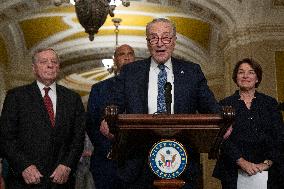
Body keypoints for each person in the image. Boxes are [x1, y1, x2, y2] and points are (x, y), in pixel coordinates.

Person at [100, 18, 220, 189]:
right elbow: (113, 105)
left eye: (165, 38)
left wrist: (223, 124)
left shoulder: (192, 71)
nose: (159, 43)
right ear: (148, 42)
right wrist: (107, 120)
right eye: (154, 38)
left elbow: (210, 107)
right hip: (139, 162)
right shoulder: (130, 72)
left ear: (174, 41)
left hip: (182, 159)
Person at [0, 48, 85, 189]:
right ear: (34, 68)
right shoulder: (16, 96)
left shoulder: (73, 99)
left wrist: (67, 165)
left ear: (58, 67)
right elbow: (6, 138)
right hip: (25, 180)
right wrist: (24, 166)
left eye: (54, 62)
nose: (50, 65)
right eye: (44, 62)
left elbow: (78, 138)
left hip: (61, 181)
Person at [212, 58, 284, 189]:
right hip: (233, 170)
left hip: (270, 171)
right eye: (241, 72)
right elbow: (221, 138)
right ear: (236, 77)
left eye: (251, 72)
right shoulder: (224, 105)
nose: (245, 76)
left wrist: (267, 163)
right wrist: (241, 161)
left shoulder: (270, 103)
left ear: (257, 78)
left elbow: (279, 136)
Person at [86, 44, 135, 189]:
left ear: (135, 59)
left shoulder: (147, 88)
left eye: (130, 54)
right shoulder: (99, 89)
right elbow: (91, 123)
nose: (126, 57)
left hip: (138, 161)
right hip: (106, 162)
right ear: (114, 60)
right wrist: (108, 143)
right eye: (121, 54)